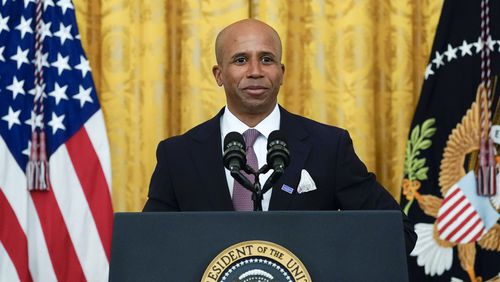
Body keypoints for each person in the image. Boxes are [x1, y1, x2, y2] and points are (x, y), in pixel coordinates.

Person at [143, 19, 417, 253]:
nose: (255, 71)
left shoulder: (328, 147)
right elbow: (149, 245)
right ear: (219, 74)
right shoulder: (177, 155)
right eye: (240, 60)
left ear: (281, 72)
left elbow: (396, 233)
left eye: (266, 59)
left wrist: (324, 256)